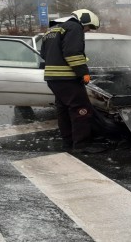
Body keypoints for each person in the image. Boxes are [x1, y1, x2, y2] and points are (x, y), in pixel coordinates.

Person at [40, 9, 107, 153]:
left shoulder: (53, 29)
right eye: (88, 27)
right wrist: (83, 73)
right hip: (67, 78)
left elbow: (44, 54)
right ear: (84, 20)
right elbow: (72, 53)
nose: (87, 31)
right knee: (81, 110)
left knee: (63, 110)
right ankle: (82, 146)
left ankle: (68, 143)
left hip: (53, 79)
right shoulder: (74, 27)